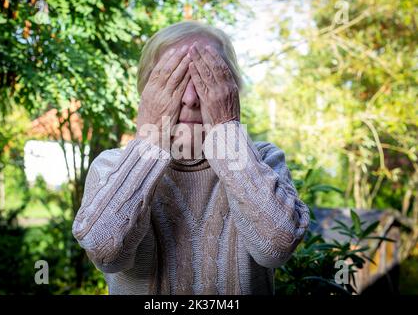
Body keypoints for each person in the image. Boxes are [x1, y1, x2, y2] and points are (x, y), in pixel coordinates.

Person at [72, 21, 310, 295]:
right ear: (146, 92)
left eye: (206, 79)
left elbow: (276, 247)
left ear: (231, 91)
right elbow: (105, 252)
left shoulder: (264, 159)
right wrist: (151, 139)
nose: (190, 99)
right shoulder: (111, 166)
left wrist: (225, 128)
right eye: (175, 79)